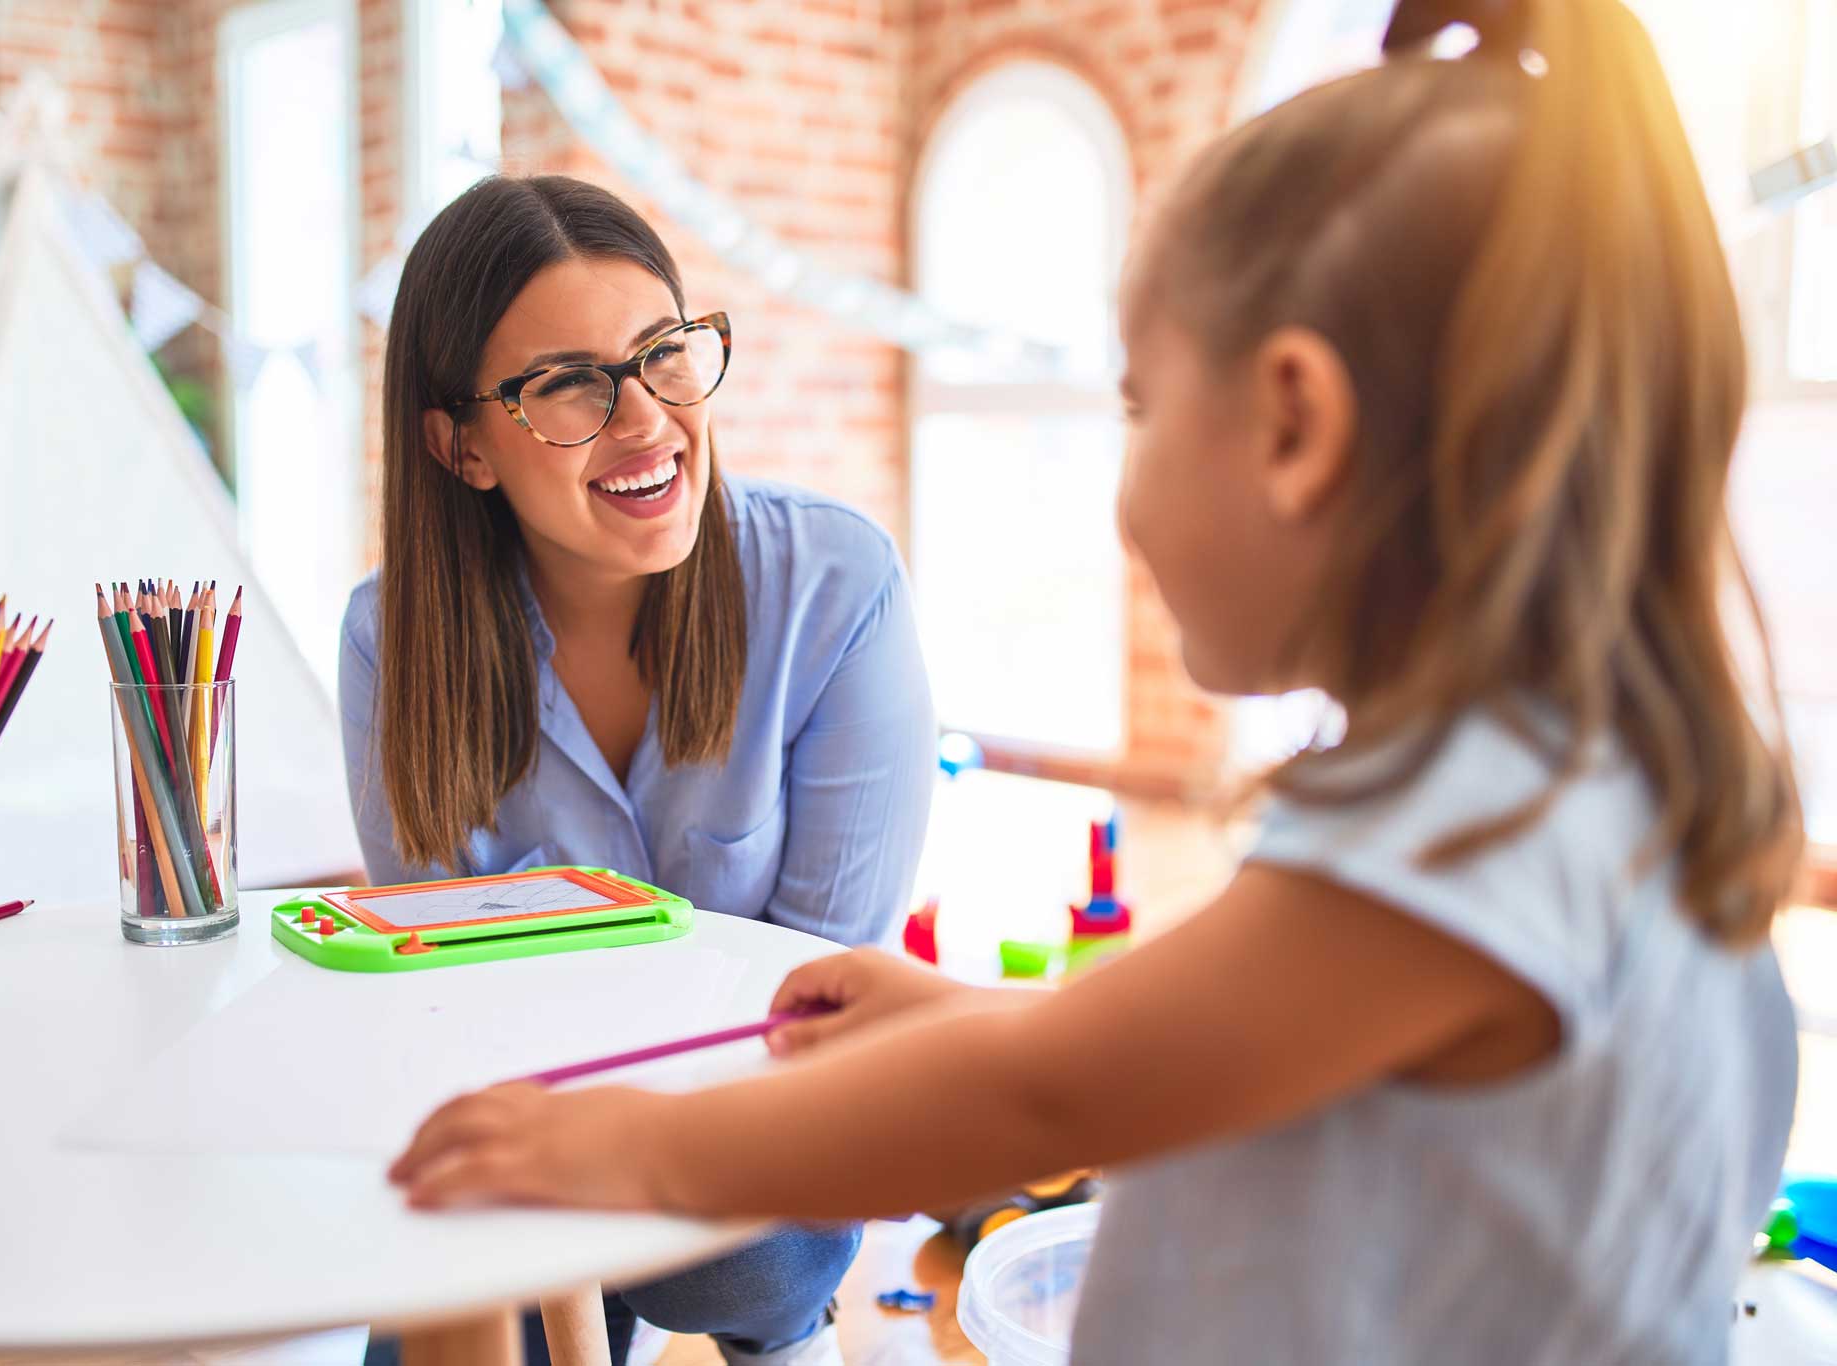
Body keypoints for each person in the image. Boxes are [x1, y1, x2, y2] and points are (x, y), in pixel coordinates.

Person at [386, 4, 1804, 1361]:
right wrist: (967, 1012)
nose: (1123, 497)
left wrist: (620, 1145)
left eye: (1140, 402)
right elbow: (1201, 1045)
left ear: (1297, 425)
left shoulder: (1461, 833)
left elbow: (1042, 1096)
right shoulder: (1582, 784)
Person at [343, 174, 937, 1365]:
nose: (646, 420)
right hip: (533, 1150)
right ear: (459, 445)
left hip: (766, 1144)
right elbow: (443, 1005)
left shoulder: (835, 591)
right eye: (567, 384)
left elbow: (814, 1014)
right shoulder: (392, 641)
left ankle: (773, 1331)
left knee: (742, 1260)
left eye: (662, 354)